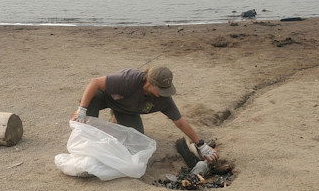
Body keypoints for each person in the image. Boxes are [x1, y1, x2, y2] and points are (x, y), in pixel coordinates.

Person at [71, 66, 219, 162]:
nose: (163, 94)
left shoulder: (164, 100)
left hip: (127, 110)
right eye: (160, 90)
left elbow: (179, 121)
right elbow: (94, 82)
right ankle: (86, 137)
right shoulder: (129, 79)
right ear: (149, 83)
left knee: (136, 140)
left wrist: (201, 145)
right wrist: (82, 109)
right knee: (91, 105)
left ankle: (116, 116)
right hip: (105, 97)